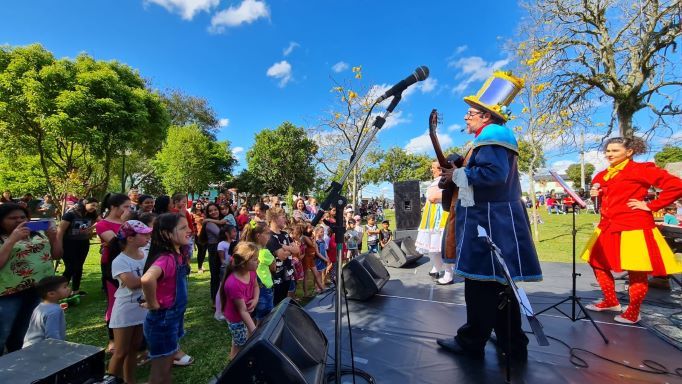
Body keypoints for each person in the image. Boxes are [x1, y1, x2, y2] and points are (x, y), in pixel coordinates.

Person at [437, 71, 542, 362]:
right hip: (492, 219)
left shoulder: (494, 134)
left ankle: (472, 341)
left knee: (481, 285)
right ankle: (511, 341)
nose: (466, 118)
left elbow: (492, 175)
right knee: (497, 286)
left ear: (486, 117)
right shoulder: (489, 137)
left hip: (490, 223)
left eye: (471, 114)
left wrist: (457, 174)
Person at [581, 137, 682, 324]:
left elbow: (677, 186)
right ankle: (611, 301)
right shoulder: (602, 175)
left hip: (634, 226)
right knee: (596, 261)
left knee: (636, 269)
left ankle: (633, 311)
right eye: (608, 151)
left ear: (629, 152)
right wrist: (598, 194)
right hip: (608, 226)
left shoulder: (641, 169)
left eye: (615, 151)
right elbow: (607, 197)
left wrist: (651, 205)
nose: (609, 154)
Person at [0, 203, 62, 354]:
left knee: (26, 331)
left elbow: (57, 255)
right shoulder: (4, 238)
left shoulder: (38, 234)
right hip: (9, 293)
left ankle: (19, 361)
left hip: (39, 289)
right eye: (12, 218)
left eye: (22, 217)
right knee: (3, 332)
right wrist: (12, 239)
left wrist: (54, 238)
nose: (18, 220)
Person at [141, 213, 193, 384]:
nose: (189, 230)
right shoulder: (167, 259)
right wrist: (152, 303)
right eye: (183, 228)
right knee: (158, 374)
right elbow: (147, 279)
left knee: (166, 368)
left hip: (173, 319)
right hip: (163, 321)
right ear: (166, 234)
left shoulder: (178, 254)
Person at [108, 220, 152, 384]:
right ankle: (110, 381)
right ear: (130, 238)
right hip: (125, 310)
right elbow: (132, 283)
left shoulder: (145, 255)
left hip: (142, 309)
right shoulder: (120, 261)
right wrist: (153, 276)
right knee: (120, 351)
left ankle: (130, 381)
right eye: (144, 234)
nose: (148, 237)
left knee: (134, 348)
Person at [97, 193, 131, 352]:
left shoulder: (128, 223)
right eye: (125, 207)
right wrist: (126, 225)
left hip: (132, 263)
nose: (128, 210)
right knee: (113, 302)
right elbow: (116, 244)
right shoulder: (102, 224)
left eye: (129, 207)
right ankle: (112, 339)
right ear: (113, 207)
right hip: (112, 266)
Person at [219, 242, 259, 360]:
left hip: (244, 314)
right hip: (236, 319)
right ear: (243, 263)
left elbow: (256, 286)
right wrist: (255, 331)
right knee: (243, 343)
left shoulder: (251, 272)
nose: (258, 262)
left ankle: (232, 356)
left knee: (239, 339)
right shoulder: (233, 284)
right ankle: (237, 362)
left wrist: (255, 299)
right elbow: (242, 311)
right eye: (255, 259)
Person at [417, 161, 453, 284]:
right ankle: (437, 267)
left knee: (443, 247)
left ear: (440, 169)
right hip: (431, 218)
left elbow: (436, 197)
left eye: (433, 168)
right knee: (433, 247)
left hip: (441, 216)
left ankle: (449, 274)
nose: (431, 170)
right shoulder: (436, 181)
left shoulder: (446, 181)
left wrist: (435, 197)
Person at [57, 197, 99, 296]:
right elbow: (60, 230)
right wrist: (58, 244)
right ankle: (59, 291)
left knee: (79, 267)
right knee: (71, 267)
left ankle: (75, 290)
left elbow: (103, 222)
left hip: (83, 243)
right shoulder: (71, 214)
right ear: (85, 203)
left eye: (96, 206)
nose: (94, 208)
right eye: (93, 205)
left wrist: (91, 228)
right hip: (68, 243)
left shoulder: (92, 214)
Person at [22, 276, 70, 347]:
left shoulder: (41, 306)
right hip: (41, 350)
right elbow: (52, 336)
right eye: (65, 287)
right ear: (51, 294)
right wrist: (60, 349)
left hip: (30, 346)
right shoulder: (54, 311)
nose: (68, 289)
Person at [243, 221, 275, 323]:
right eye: (267, 233)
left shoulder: (247, 250)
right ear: (258, 235)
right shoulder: (265, 252)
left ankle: (252, 335)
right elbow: (273, 268)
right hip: (264, 289)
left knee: (252, 317)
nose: (269, 236)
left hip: (251, 288)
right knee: (265, 318)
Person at [266, 209, 299, 305]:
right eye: (283, 217)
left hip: (288, 274)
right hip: (277, 277)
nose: (285, 219)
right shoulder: (270, 236)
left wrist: (284, 246)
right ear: (274, 219)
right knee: (277, 302)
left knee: (285, 300)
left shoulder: (285, 234)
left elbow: (297, 250)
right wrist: (290, 250)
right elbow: (282, 256)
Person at [202, 203, 223, 305]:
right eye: (210, 211)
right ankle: (215, 301)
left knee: (223, 274)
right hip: (214, 249)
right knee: (215, 275)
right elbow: (220, 235)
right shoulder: (209, 224)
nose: (213, 212)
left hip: (222, 248)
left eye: (215, 209)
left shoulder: (217, 221)